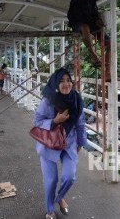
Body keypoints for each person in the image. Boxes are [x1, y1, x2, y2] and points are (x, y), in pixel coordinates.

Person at [33, 68, 87, 219]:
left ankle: (59, 198)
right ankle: (50, 210)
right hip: (49, 143)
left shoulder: (76, 99)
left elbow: (80, 123)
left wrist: (81, 142)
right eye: (61, 81)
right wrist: (55, 121)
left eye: (68, 80)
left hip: (69, 143)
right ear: (55, 84)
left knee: (70, 177)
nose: (66, 84)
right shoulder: (48, 100)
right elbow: (36, 122)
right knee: (51, 181)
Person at [67, 0, 111, 82]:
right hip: (78, 23)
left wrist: (98, 21)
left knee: (109, 42)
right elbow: (76, 16)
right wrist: (93, 22)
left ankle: (107, 70)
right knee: (85, 27)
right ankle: (92, 54)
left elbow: (94, 12)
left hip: (91, 24)